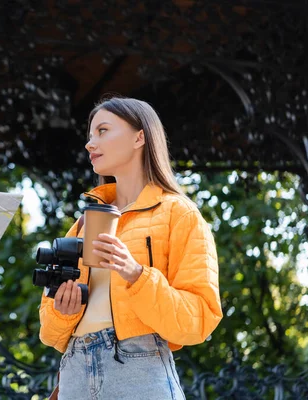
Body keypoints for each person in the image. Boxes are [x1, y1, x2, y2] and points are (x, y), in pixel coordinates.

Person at [39, 97, 222, 399]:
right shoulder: (83, 224)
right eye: (90, 134)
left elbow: (199, 318)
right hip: (74, 371)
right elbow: (48, 331)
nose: (89, 143)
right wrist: (62, 311)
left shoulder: (179, 213)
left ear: (140, 137)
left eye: (103, 131)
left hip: (140, 368)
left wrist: (137, 275)